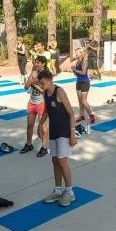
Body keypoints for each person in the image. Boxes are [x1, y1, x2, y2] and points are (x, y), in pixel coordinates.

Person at [38, 70, 77, 207]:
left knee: (62, 161)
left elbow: (71, 114)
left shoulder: (60, 92)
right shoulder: (45, 93)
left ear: (50, 80)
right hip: (53, 130)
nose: (41, 86)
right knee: (55, 161)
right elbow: (47, 111)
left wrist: (72, 133)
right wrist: (40, 124)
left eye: (42, 83)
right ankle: (58, 190)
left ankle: (70, 192)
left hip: (64, 131)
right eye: (40, 83)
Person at [20, 55, 49, 157]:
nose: (36, 64)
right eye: (35, 62)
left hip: (41, 103)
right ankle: (29, 144)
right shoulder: (34, 73)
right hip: (32, 102)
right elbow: (26, 87)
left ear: (43, 64)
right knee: (30, 125)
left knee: (42, 126)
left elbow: (46, 92)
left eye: (38, 63)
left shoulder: (45, 75)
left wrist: (35, 85)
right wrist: (31, 75)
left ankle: (44, 147)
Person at [71, 48, 95, 124]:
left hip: (85, 82)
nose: (76, 54)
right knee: (80, 100)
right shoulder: (77, 62)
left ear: (81, 53)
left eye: (77, 53)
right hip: (78, 82)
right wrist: (73, 70)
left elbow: (83, 72)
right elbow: (76, 74)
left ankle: (91, 115)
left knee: (84, 101)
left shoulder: (84, 61)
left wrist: (75, 70)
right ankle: (81, 116)